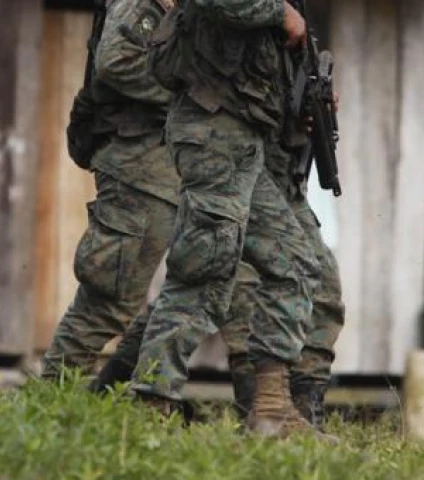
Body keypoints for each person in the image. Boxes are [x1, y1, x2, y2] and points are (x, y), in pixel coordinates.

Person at [41, 0, 270, 421]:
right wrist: (195, 91)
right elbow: (115, 63)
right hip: (139, 166)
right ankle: (45, 412)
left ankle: (114, 398)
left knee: (200, 287)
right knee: (109, 296)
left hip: (192, 163)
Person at [126, 0, 338, 440]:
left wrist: (303, 94)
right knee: (204, 272)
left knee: (297, 263)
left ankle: (271, 411)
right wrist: (279, 14)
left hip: (247, 143)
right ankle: (148, 412)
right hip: (214, 132)